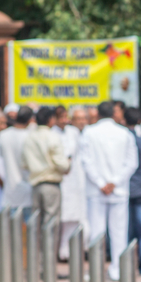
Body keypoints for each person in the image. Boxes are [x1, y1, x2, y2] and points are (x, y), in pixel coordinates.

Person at [80, 101, 138, 280]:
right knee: (119, 232)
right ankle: (117, 270)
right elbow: (132, 162)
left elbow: (86, 161)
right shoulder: (125, 133)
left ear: (97, 114)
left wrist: (101, 183)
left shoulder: (89, 132)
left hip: (98, 190)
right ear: (114, 113)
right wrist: (115, 182)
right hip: (118, 190)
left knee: (97, 231)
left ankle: (96, 270)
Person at [22, 106, 70, 240]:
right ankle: (47, 259)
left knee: (36, 222)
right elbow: (62, 164)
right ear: (51, 119)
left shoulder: (29, 137)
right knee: (50, 223)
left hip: (35, 184)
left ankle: (35, 257)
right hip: (51, 184)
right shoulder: (53, 136)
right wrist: (68, 163)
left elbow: (24, 163)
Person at [56, 106, 90, 261]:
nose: (82, 122)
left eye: (84, 118)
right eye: (78, 119)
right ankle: (64, 251)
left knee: (80, 216)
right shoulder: (59, 133)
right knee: (66, 216)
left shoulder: (77, 133)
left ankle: (78, 249)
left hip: (82, 180)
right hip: (66, 179)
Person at [124, 107, 141, 271]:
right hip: (140, 188)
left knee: (125, 229)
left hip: (125, 189)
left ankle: (126, 264)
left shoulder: (122, 139)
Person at [0, 105, 35, 217]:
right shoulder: (31, 136)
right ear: (30, 120)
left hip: (9, 191)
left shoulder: (3, 135)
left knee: (10, 232)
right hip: (28, 191)